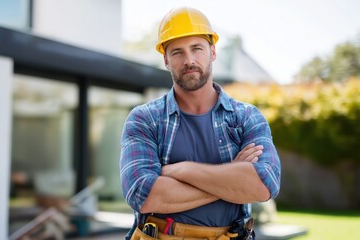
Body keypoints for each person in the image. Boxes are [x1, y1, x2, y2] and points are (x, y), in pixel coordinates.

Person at [120, 6, 281, 240]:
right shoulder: (145, 119)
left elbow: (264, 184)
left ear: (212, 52)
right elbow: (143, 195)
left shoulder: (246, 117)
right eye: (177, 52)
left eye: (197, 49)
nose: (189, 60)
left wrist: (181, 170)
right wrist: (232, 178)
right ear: (165, 59)